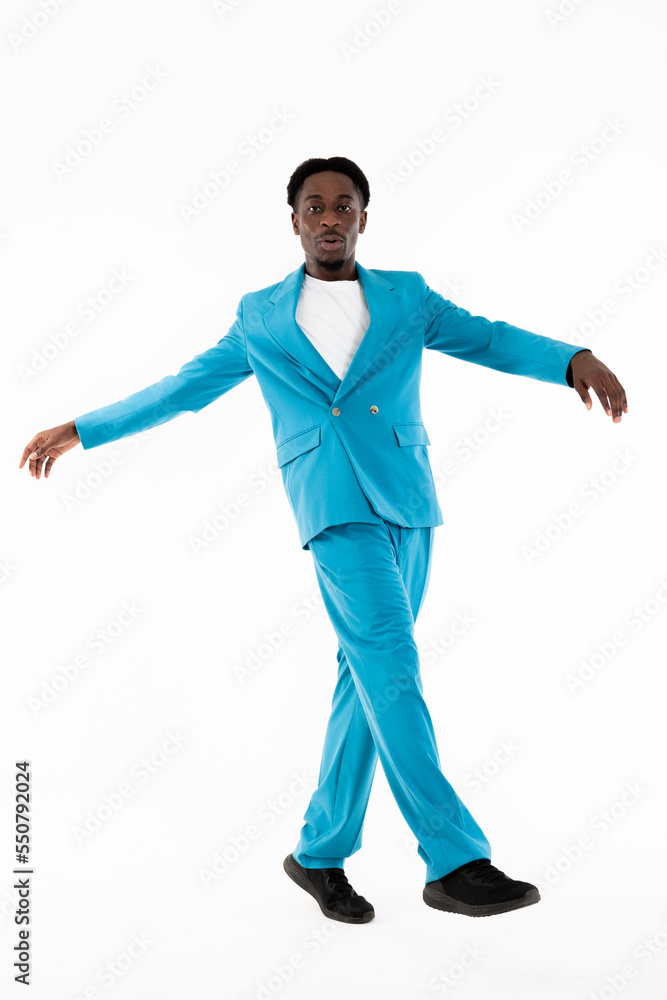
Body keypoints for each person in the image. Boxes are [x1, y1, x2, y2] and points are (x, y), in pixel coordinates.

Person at [19, 156, 627, 925]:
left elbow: (487, 339)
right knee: (392, 668)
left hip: (409, 504)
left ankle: (318, 851)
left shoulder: (407, 297)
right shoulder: (260, 316)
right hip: (334, 511)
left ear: (364, 220)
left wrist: (571, 359)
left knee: (364, 679)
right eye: (315, 206)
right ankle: (453, 859)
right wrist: (82, 429)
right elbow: (182, 389)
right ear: (295, 220)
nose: (330, 217)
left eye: (345, 205)